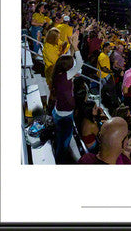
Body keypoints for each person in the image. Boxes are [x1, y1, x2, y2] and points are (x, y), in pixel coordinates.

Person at [50, 31, 83, 164]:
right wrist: (76, 48)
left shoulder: (58, 72)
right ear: (69, 68)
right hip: (65, 115)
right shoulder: (66, 76)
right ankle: (59, 162)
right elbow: (80, 63)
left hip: (57, 111)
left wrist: (71, 45)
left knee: (59, 136)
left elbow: (67, 58)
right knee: (64, 143)